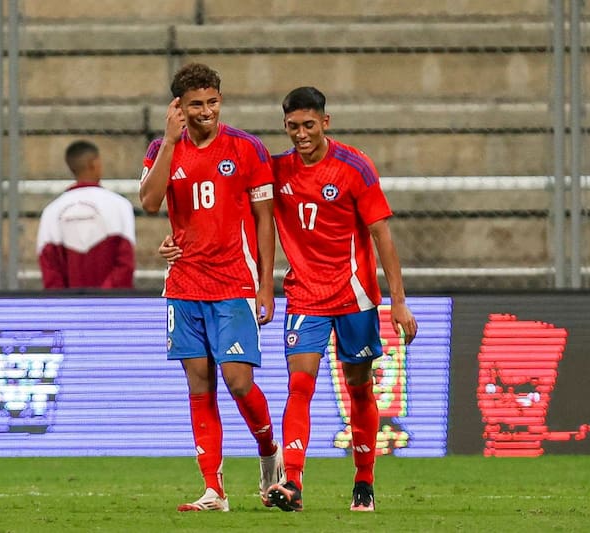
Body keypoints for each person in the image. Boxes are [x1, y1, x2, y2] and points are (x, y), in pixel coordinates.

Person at [160, 86, 419, 512]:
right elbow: (227, 203)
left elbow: (381, 235)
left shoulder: (355, 167)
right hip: (304, 297)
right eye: (293, 126)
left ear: (325, 123)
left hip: (355, 296)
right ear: (285, 126)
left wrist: (399, 301)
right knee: (300, 385)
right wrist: (176, 240)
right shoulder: (276, 169)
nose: (301, 134)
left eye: (309, 125)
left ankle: (364, 482)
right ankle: (292, 481)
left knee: (358, 388)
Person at [138, 62, 283, 512]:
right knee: (199, 385)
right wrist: (168, 142)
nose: (207, 111)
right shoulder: (163, 149)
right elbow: (148, 202)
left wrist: (265, 284)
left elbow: (264, 220)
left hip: (234, 283)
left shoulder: (246, 148)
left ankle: (269, 453)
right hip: (183, 284)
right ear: (178, 107)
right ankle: (214, 490)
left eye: (213, 102)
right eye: (196, 104)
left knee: (239, 382)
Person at [36, 140, 135, 289]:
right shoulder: (120, 206)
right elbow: (125, 264)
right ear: (94, 163)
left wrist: (65, 303)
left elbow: (50, 269)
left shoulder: (52, 211)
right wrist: (104, 298)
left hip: (68, 307)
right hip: (112, 306)